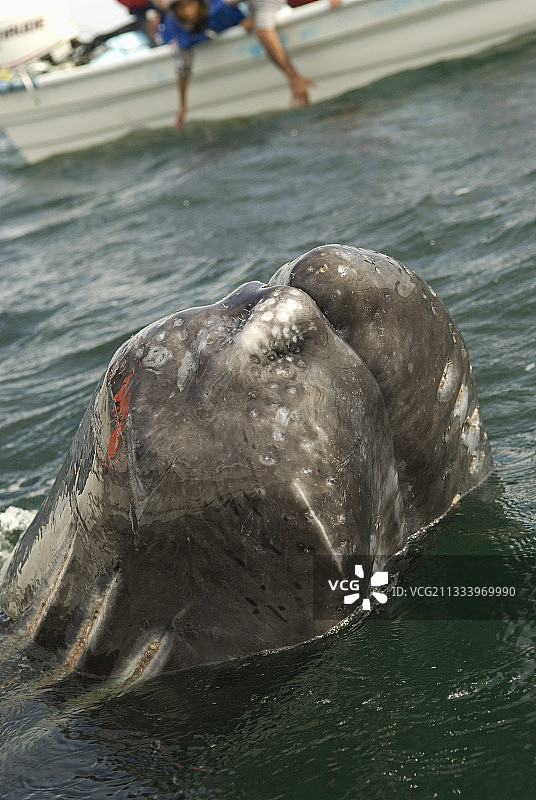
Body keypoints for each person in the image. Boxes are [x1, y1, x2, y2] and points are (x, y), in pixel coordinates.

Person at [162, 0, 251, 129]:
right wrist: (183, 107)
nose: (186, 11)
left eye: (190, 4)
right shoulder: (175, 25)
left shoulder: (219, 7)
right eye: (181, 7)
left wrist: (252, 17)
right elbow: (183, 67)